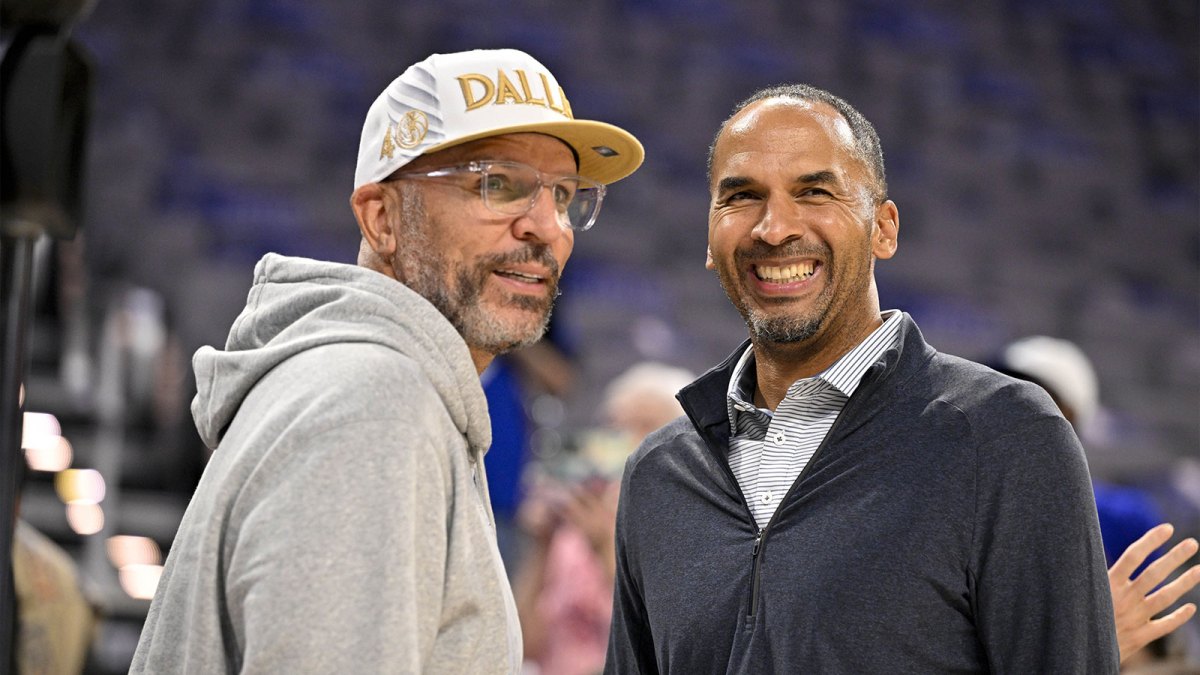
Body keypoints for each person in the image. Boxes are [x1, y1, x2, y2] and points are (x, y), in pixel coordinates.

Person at [130, 48, 643, 673]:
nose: (548, 227)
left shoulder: (387, 389)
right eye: (498, 184)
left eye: (563, 195)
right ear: (383, 218)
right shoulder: (372, 406)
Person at [605, 84, 1119, 672]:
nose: (774, 229)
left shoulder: (1004, 436)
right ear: (709, 236)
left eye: (815, 192)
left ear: (884, 228)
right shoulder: (658, 473)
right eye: (742, 197)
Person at [996, 335, 1200, 669]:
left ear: (1072, 415)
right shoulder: (953, 501)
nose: (1011, 403)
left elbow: (1156, 643)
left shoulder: (1121, 515)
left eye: (1033, 392)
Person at [514, 361, 694, 675]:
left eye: (646, 426)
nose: (628, 441)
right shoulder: (573, 525)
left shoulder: (692, 526)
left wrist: (603, 547)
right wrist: (541, 547)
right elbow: (523, 644)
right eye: (616, 428)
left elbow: (664, 644)